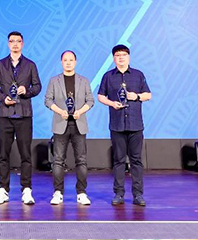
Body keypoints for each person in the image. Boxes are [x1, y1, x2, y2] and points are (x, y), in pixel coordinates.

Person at [0, 31, 41, 205]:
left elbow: (37, 86)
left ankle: (26, 190)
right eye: (12, 41)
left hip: (24, 115)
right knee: (3, 154)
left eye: (18, 41)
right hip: (5, 114)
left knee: (25, 154)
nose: (15, 44)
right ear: (8, 44)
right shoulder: (0, 64)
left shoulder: (30, 65)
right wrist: (3, 98)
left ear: (23, 44)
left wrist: (27, 91)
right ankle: (3, 190)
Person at [97, 44, 152, 207]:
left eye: (124, 55)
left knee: (136, 161)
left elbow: (148, 95)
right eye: (118, 55)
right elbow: (100, 96)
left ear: (129, 57)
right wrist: (112, 103)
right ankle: (119, 194)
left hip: (135, 124)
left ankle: (138, 195)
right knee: (118, 161)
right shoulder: (108, 76)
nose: (121, 57)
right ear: (113, 58)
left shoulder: (138, 75)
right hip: (117, 124)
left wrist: (136, 96)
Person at [44, 50, 94, 205]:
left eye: (71, 60)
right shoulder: (54, 80)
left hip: (79, 125)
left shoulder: (83, 80)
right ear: (61, 62)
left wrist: (80, 111)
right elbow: (48, 100)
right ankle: (58, 192)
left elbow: (90, 101)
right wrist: (60, 111)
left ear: (75, 62)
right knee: (58, 160)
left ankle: (82, 193)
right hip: (61, 124)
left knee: (81, 160)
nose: (68, 63)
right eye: (65, 60)